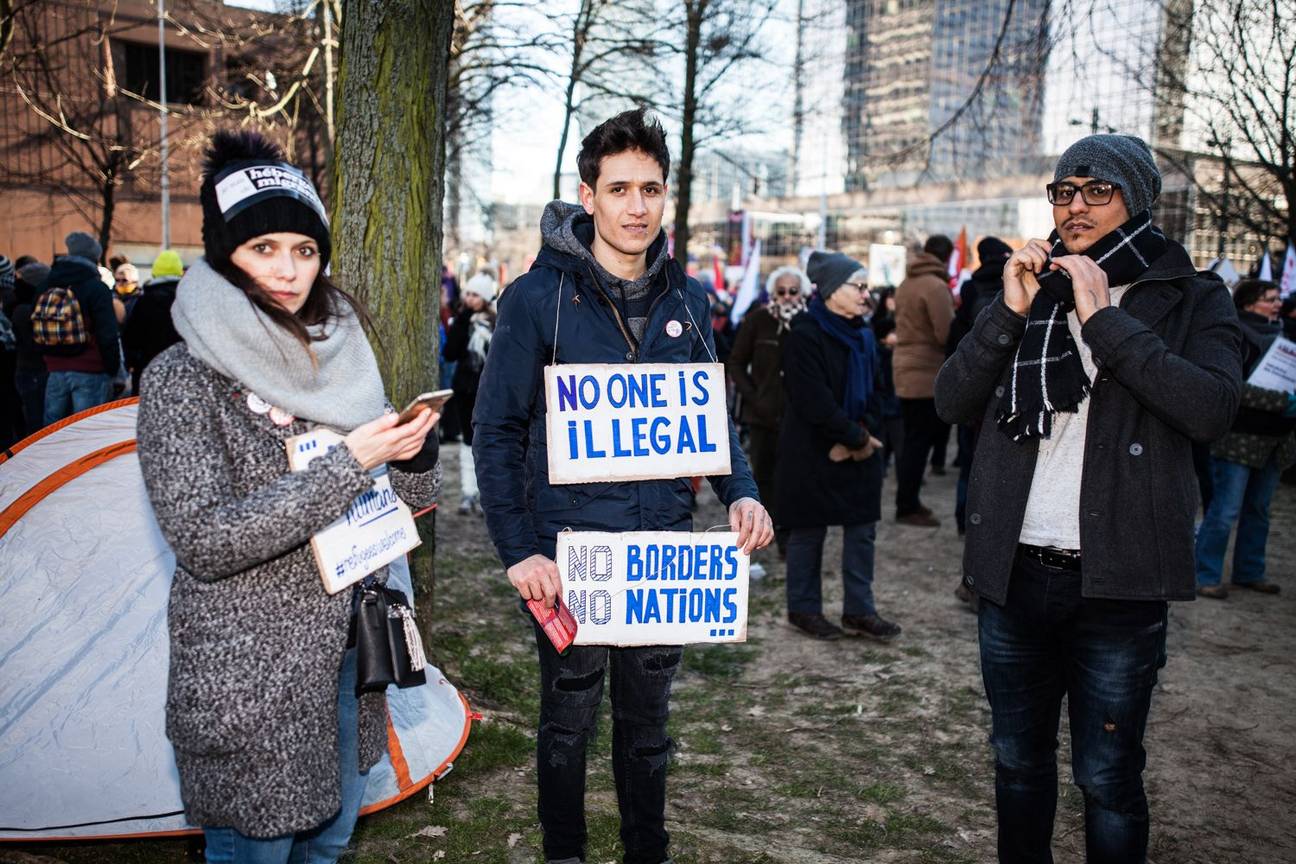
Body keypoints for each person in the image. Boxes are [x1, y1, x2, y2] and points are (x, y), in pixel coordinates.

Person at [135, 130, 441, 864]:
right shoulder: (181, 378)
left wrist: (414, 455)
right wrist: (350, 464)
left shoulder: (337, 359)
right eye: (263, 247)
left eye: (304, 250)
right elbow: (206, 540)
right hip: (253, 680)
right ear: (224, 254)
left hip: (351, 656)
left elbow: (403, 507)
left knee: (327, 847)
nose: (288, 269)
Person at [472, 108, 769, 864]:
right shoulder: (536, 299)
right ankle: (565, 852)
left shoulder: (689, 299)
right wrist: (518, 550)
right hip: (568, 556)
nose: (637, 207)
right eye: (620, 189)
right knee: (567, 723)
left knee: (648, 727)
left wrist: (741, 489)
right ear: (588, 196)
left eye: (651, 190)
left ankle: (648, 850)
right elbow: (496, 431)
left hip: (664, 553)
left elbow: (709, 417)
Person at [936, 133, 1242, 863]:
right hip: (1014, 570)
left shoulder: (1192, 295)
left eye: (1097, 191)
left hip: (1121, 578)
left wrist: (1105, 320)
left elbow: (1211, 410)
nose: (1075, 206)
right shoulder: (1030, 288)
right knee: (1017, 763)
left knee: (1107, 778)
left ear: (1137, 199)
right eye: (1063, 192)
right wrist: (1006, 312)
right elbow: (950, 400)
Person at [776, 251, 897, 641]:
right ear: (831, 290)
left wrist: (863, 437)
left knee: (862, 530)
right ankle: (804, 609)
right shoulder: (805, 333)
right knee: (808, 531)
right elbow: (812, 399)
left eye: (867, 287)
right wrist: (854, 438)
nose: (866, 295)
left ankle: (859, 610)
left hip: (861, 445)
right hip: (813, 449)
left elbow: (878, 389)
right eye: (858, 287)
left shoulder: (864, 334)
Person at [1195, 279, 1295, 598]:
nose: (1277, 304)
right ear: (1250, 304)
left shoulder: (1283, 337)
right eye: (1270, 299)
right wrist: (1281, 401)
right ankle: (1205, 574)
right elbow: (1232, 387)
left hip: (1274, 440)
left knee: (1259, 510)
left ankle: (1250, 571)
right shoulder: (1235, 336)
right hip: (1238, 440)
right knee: (1225, 511)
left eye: (1278, 298)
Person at [726, 264, 809, 555]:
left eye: (793, 291)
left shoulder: (808, 323)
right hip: (762, 415)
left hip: (800, 418)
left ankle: (789, 536)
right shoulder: (758, 320)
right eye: (781, 291)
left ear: (803, 293)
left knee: (794, 478)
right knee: (763, 475)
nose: (787, 296)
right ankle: (764, 530)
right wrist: (753, 397)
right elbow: (736, 361)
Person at [893, 234, 955, 527]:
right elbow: (945, 333)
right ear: (947, 256)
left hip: (904, 366)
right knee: (919, 442)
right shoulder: (935, 286)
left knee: (911, 439)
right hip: (925, 369)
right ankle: (907, 505)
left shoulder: (907, 283)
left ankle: (908, 501)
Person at [34, 232, 121, 424]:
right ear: (94, 258)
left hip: (54, 369)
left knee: (52, 432)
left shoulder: (45, 285)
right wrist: (113, 369)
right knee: (86, 429)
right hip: (90, 370)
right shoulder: (96, 288)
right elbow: (107, 334)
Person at [442, 271, 497, 514]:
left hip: (489, 391)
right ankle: (468, 491)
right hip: (465, 389)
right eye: (468, 293)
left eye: (476, 294)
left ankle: (485, 492)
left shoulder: (495, 321)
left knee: (487, 441)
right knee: (467, 440)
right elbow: (450, 353)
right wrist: (462, 322)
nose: (470, 298)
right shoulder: (462, 320)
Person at [121, 249, 185, 395]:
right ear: (179, 272)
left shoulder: (145, 301)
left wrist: (131, 363)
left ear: (155, 272)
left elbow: (131, 338)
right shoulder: (187, 300)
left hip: (148, 369)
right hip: (181, 373)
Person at [10, 260, 50, 436]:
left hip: (29, 370)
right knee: (36, 421)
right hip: (33, 370)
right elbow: (33, 344)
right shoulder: (25, 309)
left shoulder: (20, 306)